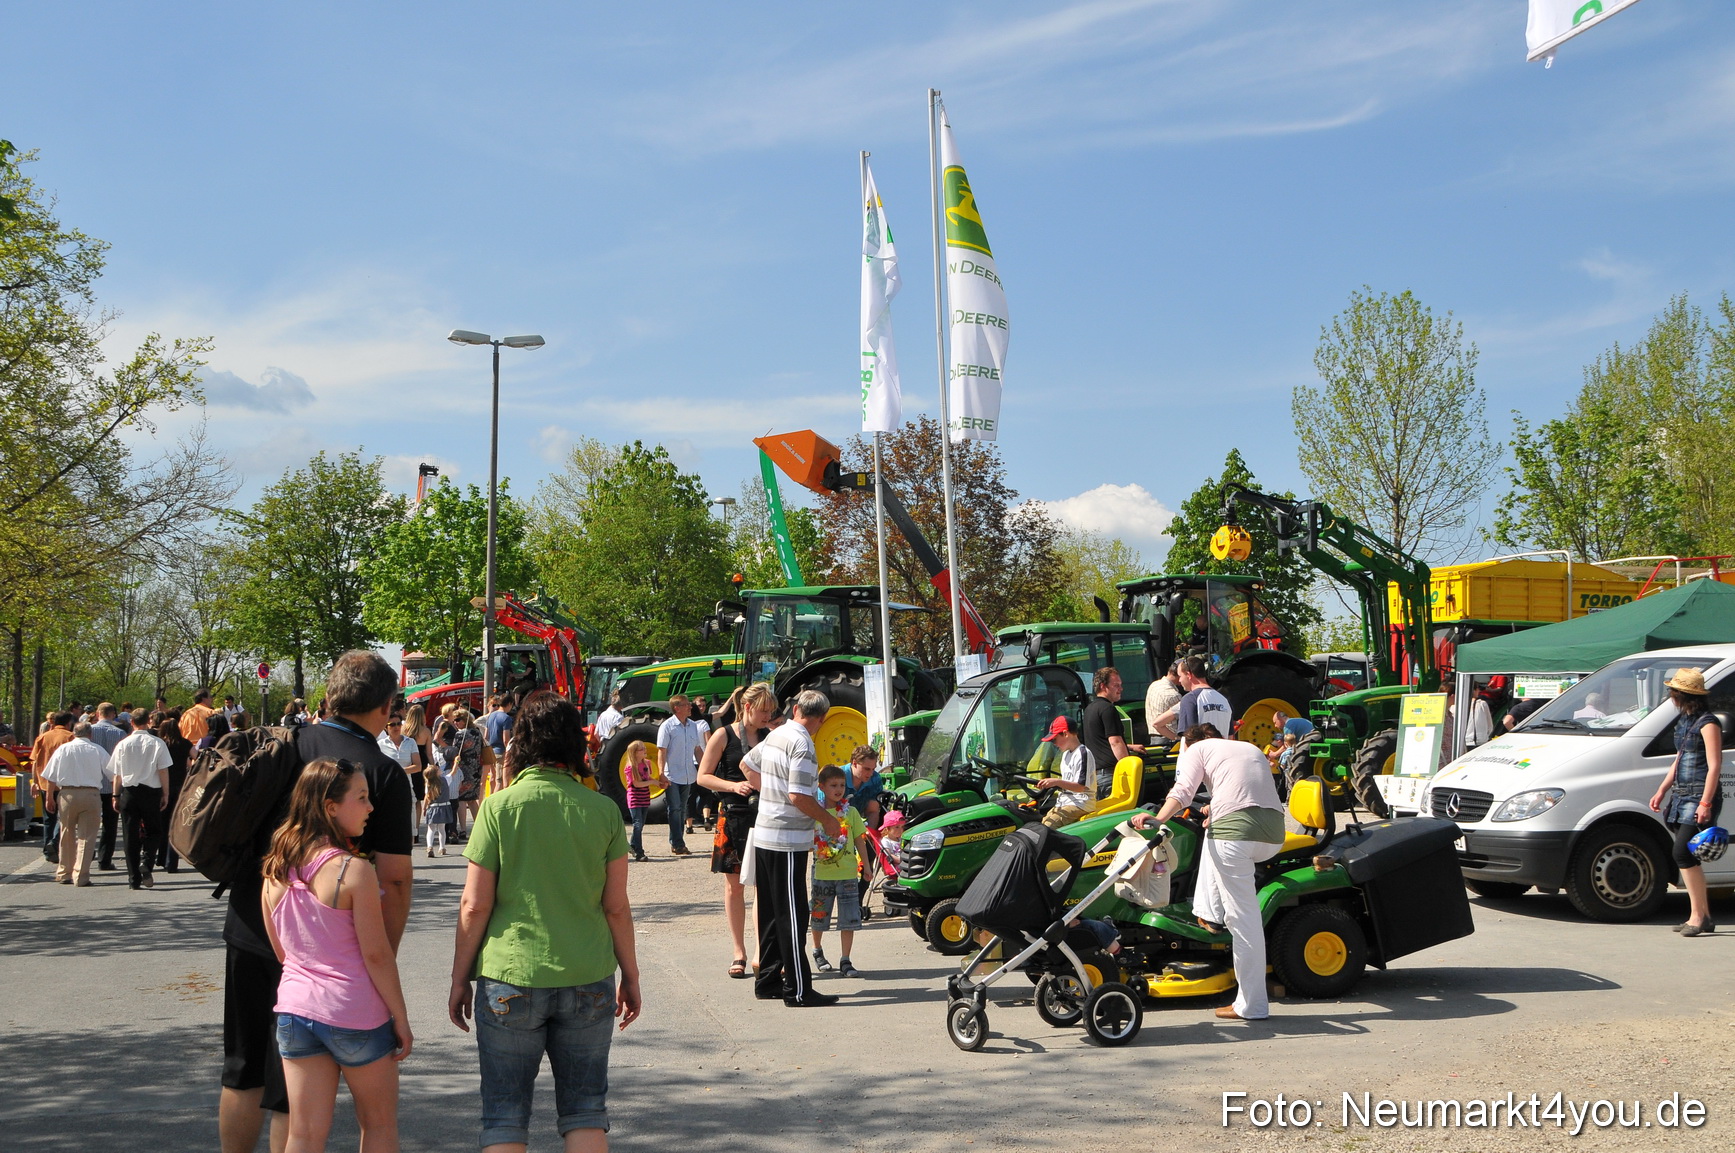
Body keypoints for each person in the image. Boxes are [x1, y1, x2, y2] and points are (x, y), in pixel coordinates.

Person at [220, 650, 414, 1153]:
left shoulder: (284, 743)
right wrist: (379, 963)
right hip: (329, 953)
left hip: (253, 918)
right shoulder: (380, 773)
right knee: (293, 1098)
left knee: (242, 1069)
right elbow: (393, 882)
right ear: (387, 705)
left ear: (330, 696)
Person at [448, 690, 641, 1152]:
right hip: (588, 975)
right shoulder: (604, 812)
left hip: (509, 977)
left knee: (504, 1116)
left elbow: (474, 906)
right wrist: (630, 975)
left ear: (521, 743)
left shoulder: (498, 809)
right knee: (585, 1111)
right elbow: (615, 906)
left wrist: (460, 979)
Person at [262, 758, 412, 1153]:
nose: (369, 807)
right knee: (378, 1125)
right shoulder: (353, 871)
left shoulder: (275, 869)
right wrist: (401, 1017)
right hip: (355, 1012)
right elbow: (377, 956)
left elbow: (282, 950)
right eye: (361, 798)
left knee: (304, 1134)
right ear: (331, 806)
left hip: (295, 1010)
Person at [1131, 724, 1286, 1021]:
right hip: (1273, 834)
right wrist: (1216, 814)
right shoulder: (1246, 747)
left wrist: (1158, 817)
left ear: (1189, 744)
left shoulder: (1196, 750)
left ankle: (1251, 1004)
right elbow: (1247, 792)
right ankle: (1210, 914)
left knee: (1244, 920)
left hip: (1236, 836)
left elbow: (1184, 792)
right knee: (1213, 838)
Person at [742, 689, 844, 1008]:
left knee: (773, 912)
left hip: (766, 834)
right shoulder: (802, 743)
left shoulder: (778, 734)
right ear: (822, 719)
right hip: (786, 839)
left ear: (796, 708)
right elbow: (798, 795)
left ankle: (768, 980)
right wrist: (828, 820)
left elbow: (747, 764)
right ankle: (798, 989)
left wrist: (769, 793)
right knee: (793, 914)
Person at [696, 683, 775, 978]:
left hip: (763, 816)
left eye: (771, 710)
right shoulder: (723, 734)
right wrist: (733, 786)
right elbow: (702, 776)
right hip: (732, 816)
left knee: (763, 887)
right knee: (734, 886)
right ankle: (738, 951)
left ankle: (759, 951)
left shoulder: (770, 736)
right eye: (764, 710)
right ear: (748, 707)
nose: (769, 715)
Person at [1649, 668, 1724, 937]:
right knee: (1688, 855)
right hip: (1682, 794)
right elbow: (1679, 759)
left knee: (1682, 853)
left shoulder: (1708, 723)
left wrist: (1705, 803)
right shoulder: (1686, 721)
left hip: (1699, 795)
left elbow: (1715, 765)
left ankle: (1697, 916)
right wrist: (1662, 789)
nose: (1671, 697)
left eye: (1673, 692)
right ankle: (1704, 916)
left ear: (1682, 695)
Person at [809, 765, 869, 977]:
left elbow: (860, 841)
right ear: (822, 786)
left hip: (848, 873)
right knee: (819, 916)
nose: (839, 789)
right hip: (823, 873)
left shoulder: (850, 812)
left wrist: (867, 867)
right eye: (833, 785)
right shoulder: (815, 813)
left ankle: (846, 959)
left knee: (849, 918)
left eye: (842, 785)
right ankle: (817, 950)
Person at [39, 721, 110, 886]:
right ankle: (81, 875)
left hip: (67, 793)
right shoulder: (97, 750)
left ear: (74, 733)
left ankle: (64, 872)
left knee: (66, 833)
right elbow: (112, 773)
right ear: (90, 734)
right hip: (91, 793)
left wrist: (49, 796)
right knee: (87, 836)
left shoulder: (63, 749)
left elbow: (50, 775)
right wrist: (115, 794)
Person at [110, 708, 172, 891]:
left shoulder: (123, 744)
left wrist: (115, 795)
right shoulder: (157, 743)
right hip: (151, 791)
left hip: (129, 791)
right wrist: (165, 793)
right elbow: (163, 770)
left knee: (130, 835)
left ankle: (133, 878)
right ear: (148, 721)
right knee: (154, 831)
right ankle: (147, 861)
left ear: (131, 722)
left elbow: (117, 773)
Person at [655, 695, 704, 854]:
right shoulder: (667, 726)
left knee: (682, 809)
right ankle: (677, 843)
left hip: (688, 774)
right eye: (687, 705)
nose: (690, 707)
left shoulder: (693, 726)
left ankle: (677, 841)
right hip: (672, 775)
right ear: (677, 708)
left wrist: (704, 767)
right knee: (675, 808)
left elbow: (697, 749)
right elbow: (662, 751)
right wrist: (661, 773)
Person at [1080, 668, 1136, 798]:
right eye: (1116, 685)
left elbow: (1099, 741)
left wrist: (1131, 747)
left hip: (1096, 777)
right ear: (1103, 686)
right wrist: (1128, 768)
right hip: (1110, 776)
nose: (1120, 689)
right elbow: (1115, 742)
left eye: (1120, 685)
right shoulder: (1108, 709)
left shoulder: (1089, 709)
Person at [1036, 715, 1098, 829]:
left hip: (1081, 803)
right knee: (1041, 824)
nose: (1054, 743)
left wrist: (1056, 782)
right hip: (1065, 802)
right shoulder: (1065, 755)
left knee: (1049, 826)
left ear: (1065, 734)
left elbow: (1080, 787)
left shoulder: (1083, 753)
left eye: (1054, 739)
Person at [31, 711, 76, 862]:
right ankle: (54, 842)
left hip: (44, 782)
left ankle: (47, 849)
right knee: (65, 817)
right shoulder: (70, 737)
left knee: (48, 818)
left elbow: (35, 762)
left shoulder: (42, 737)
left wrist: (35, 782)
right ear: (68, 723)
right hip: (63, 783)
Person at [90, 703, 128, 872]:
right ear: (113, 714)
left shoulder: (89, 731)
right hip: (113, 784)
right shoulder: (120, 733)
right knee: (110, 824)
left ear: (98, 714)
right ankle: (104, 859)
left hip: (92, 783)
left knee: (88, 823)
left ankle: (87, 853)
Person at [446, 709, 495, 838]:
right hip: (476, 768)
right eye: (454, 720)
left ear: (464, 720)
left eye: (458, 720)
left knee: (462, 799)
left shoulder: (460, 735)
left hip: (463, 769)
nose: (455, 723)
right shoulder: (477, 732)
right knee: (473, 800)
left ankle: (463, 829)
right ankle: (480, 827)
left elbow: (455, 751)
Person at [1160, 656, 1233, 741]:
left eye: (1180, 676)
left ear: (1188, 674)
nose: (1179, 680)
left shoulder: (1190, 699)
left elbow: (1190, 739)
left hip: (1201, 753)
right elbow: (1231, 738)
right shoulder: (1224, 700)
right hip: (1221, 753)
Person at [156, 711, 194, 873]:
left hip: (161, 786)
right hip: (180, 786)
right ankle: (172, 862)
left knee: (162, 824)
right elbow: (197, 757)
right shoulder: (184, 744)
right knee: (174, 825)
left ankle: (160, 858)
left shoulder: (159, 744)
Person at [379, 716, 423, 842]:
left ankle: (408, 856)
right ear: (386, 727)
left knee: (409, 825)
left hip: (406, 787)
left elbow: (418, 766)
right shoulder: (381, 745)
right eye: (392, 725)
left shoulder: (410, 742)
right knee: (390, 825)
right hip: (388, 788)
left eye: (398, 724)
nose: (396, 727)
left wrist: (399, 771)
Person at [623, 740, 655, 862]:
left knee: (640, 825)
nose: (644, 750)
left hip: (644, 797)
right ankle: (639, 851)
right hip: (634, 798)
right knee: (637, 823)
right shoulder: (630, 767)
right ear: (634, 753)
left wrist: (658, 782)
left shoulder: (646, 764)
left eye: (644, 748)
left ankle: (632, 845)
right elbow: (636, 783)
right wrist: (653, 782)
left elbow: (647, 778)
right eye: (641, 749)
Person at [1145, 661, 1184, 740]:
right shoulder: (1174, 696)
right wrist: (1177, 738)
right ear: (1180, 675)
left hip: (1153, 737)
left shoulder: (1153, 685)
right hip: (1169, 739)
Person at [424, 763, 452, 858]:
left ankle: (430, 847)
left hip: (432, 808)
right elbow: (453, 773)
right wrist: (456, 763)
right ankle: (442, 847)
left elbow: (427, 798)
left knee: (431, 829)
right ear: (436, 773)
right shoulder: (445, 780)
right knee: (441, 829)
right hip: (443, 807)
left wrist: (424, 808)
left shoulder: (428, 783)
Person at [483, 695, 514, 761]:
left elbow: (485, 736)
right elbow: (506, 740)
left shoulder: (490, 716)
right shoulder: (506, 718)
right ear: (509, 704)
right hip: (501, 753)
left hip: (491, 753)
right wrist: (510, 753)